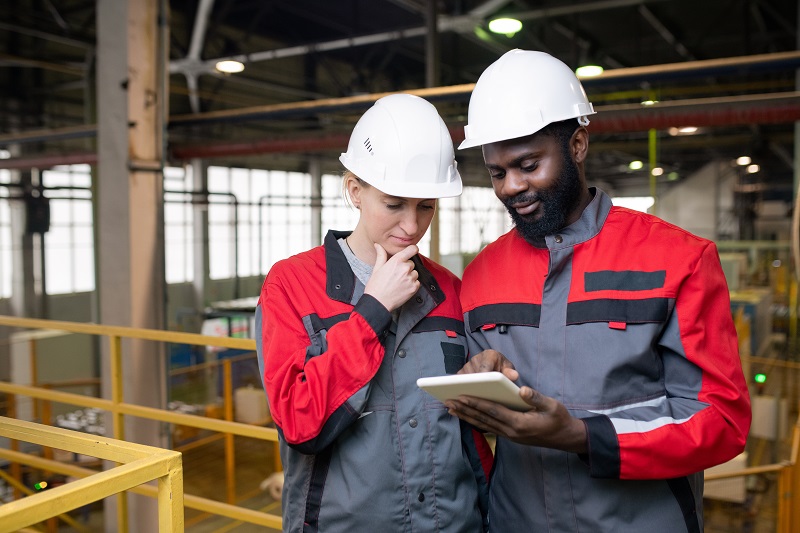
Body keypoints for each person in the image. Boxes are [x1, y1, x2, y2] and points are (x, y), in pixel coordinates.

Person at [447, 49, 752, 532]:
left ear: (578, 145)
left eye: (528, 164)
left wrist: (583, 436)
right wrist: (481, 381)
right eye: (497, 172)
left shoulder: (678, 260)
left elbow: (721, 421)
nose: (511, 187)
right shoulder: (482, 273)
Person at [255, 93, 491, 532]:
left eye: (426, 207)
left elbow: (469, 437)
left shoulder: (449, 291)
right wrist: (371, 312)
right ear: (355, 191)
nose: (412, 226)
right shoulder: (291, 286)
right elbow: (299, 422)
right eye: (394, 204)